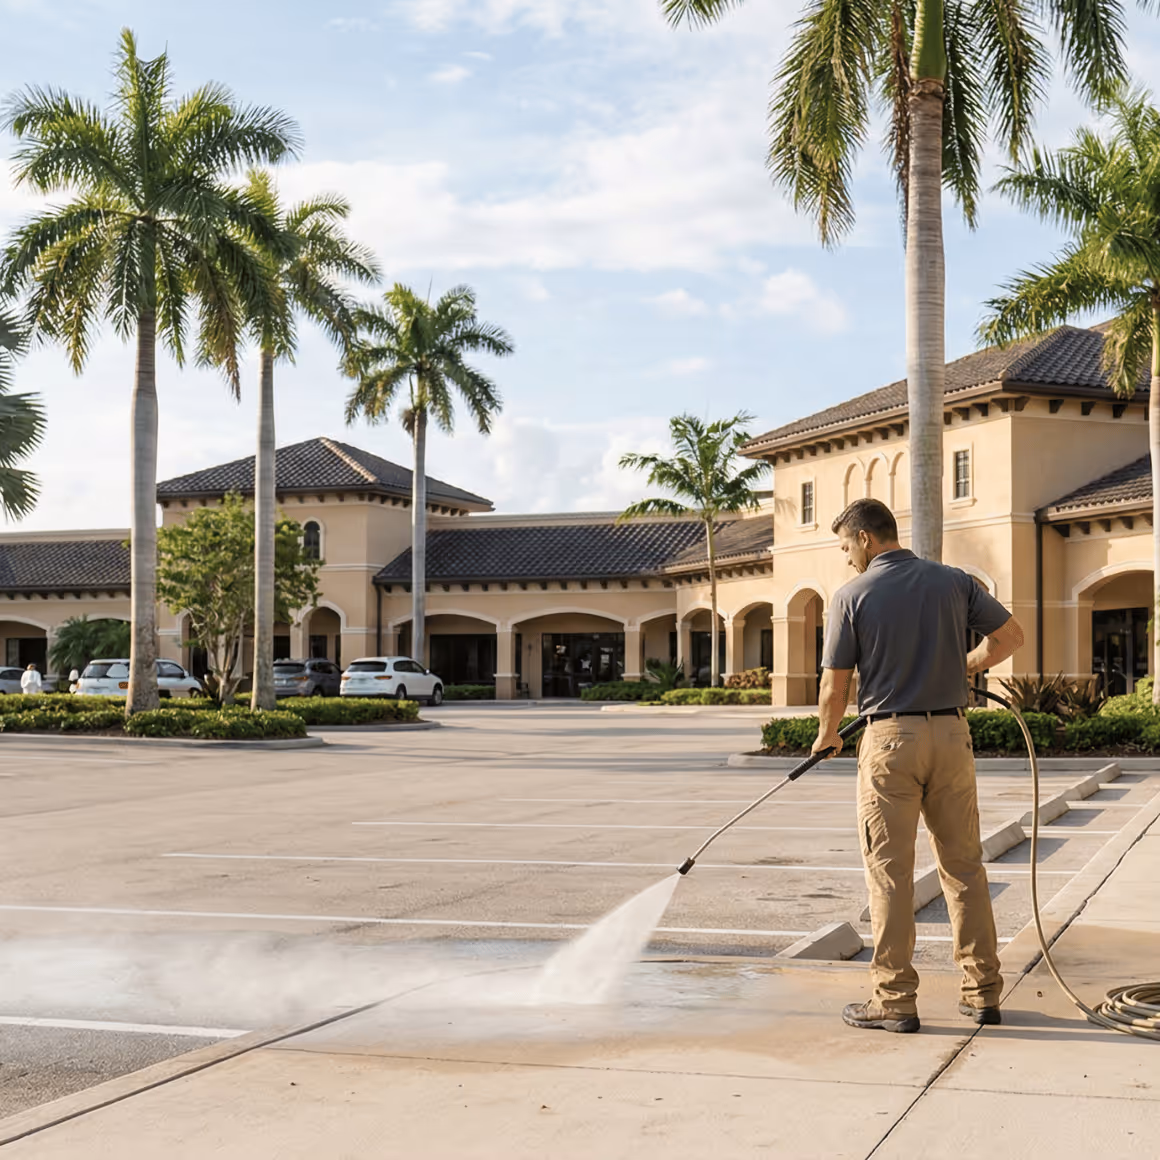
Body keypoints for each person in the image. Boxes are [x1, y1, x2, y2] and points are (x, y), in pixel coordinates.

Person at [812, 498, 1024, 1034]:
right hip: (953, 735)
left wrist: (826, 735)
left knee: (890, 873)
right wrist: (965, 664)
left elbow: (835, 685)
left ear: (865, 538)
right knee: (964, 866)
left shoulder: (851, 596)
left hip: (889, 741)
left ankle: (895, 1000)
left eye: (845, 546)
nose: (846, 559)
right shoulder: (954, 581)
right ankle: (982, 994)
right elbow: (1010, 638)